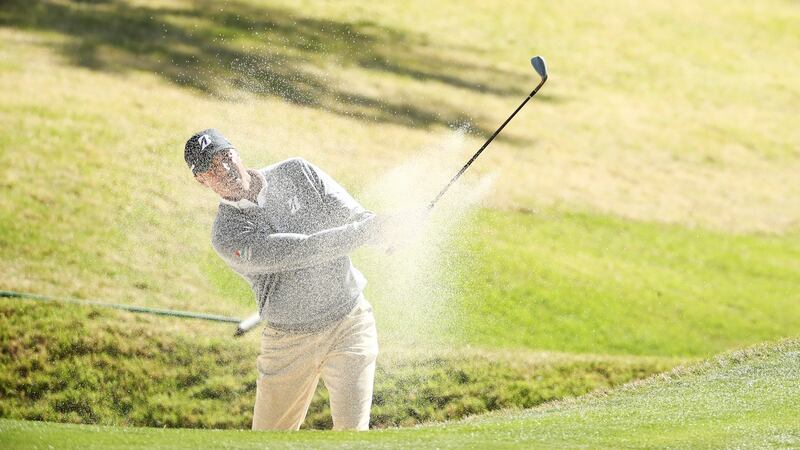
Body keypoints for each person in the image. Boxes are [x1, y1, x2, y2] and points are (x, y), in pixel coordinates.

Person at [184, 128, 388, 431]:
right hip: (288, 342)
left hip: (349, 322)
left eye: (225, 157)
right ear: (201, 181)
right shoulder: (227, 234)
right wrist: (369, 232)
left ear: (237, 153)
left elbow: (354, 216)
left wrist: (386, 231)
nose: (224, 170)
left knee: (352, 435)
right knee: (268, 441)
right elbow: (299, 250)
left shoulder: (297, 172)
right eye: (211, 168)